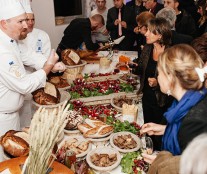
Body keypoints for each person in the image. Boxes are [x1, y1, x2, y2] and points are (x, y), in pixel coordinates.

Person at [0, 0, 64, 137]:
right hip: (2, 119)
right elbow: (23, 84)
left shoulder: (11, 40)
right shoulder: (2, 50)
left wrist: (51, 64)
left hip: (12, 114)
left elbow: (28, 55)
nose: (26, 25)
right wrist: (47, 67)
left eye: (26, 20)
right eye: (20, 21)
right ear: (4, 23)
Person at [141, 44, 207, 173]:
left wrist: (163, 164)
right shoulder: (189, 98)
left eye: (159, 73)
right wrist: (165, 129)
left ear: (170, 77)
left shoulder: (194, 122)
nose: (158, 77)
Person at [137, 17, 172, 150]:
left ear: (160, 35)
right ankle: (148, 152)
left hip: (162, 101)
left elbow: (174, 81)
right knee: (148, 128)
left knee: (159, 134)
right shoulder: (147, 48)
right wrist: (131, 66)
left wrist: (158, 83)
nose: (146, 33)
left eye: (150, 32)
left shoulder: (170, 54)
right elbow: (141, 68)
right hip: (147, 96)